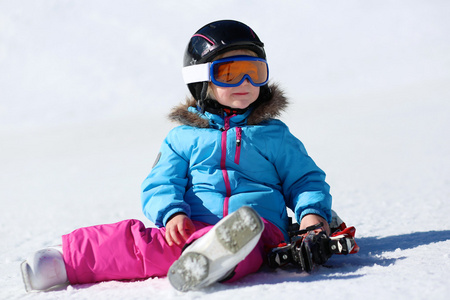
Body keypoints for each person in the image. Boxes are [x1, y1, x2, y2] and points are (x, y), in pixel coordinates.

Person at [20, 20, 336, 293]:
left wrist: (312, 218)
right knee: (141, 243)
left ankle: (216, 259)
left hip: (260, 229)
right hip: (194, 225)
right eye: (229, 74)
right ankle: (63, 262)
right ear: (202, 80)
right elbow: (162, 181)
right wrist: (172, 214)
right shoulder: (183, 138)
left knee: (247, 242)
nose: (245, 83)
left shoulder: (274, 135)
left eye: (254, 72)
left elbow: (305, 179)